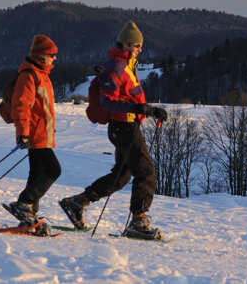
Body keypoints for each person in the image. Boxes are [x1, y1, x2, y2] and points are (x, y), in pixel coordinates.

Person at [59, 21, 168, 240]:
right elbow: (107, 102)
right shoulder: (117, 66)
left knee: (121, 176)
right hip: (124, 127)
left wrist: (151, 110)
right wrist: (136, 108)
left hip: (126, 125)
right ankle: (138, 221)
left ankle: (79, 201)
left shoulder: (127, 66)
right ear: (126, 44)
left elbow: (129, 98)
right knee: (146, 172)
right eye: (137, 45)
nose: (140, 49)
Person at [2, 34, 61, 236]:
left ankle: (29, 216)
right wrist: (23, 134)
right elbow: (21, 107)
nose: (55, 58)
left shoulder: (42, 75)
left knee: (36, 174)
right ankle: (24, 204)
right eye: (52, 54)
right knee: (54, 170)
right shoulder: (29, 75)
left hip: (42, 133)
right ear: (41, 56)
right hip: (35, 134)